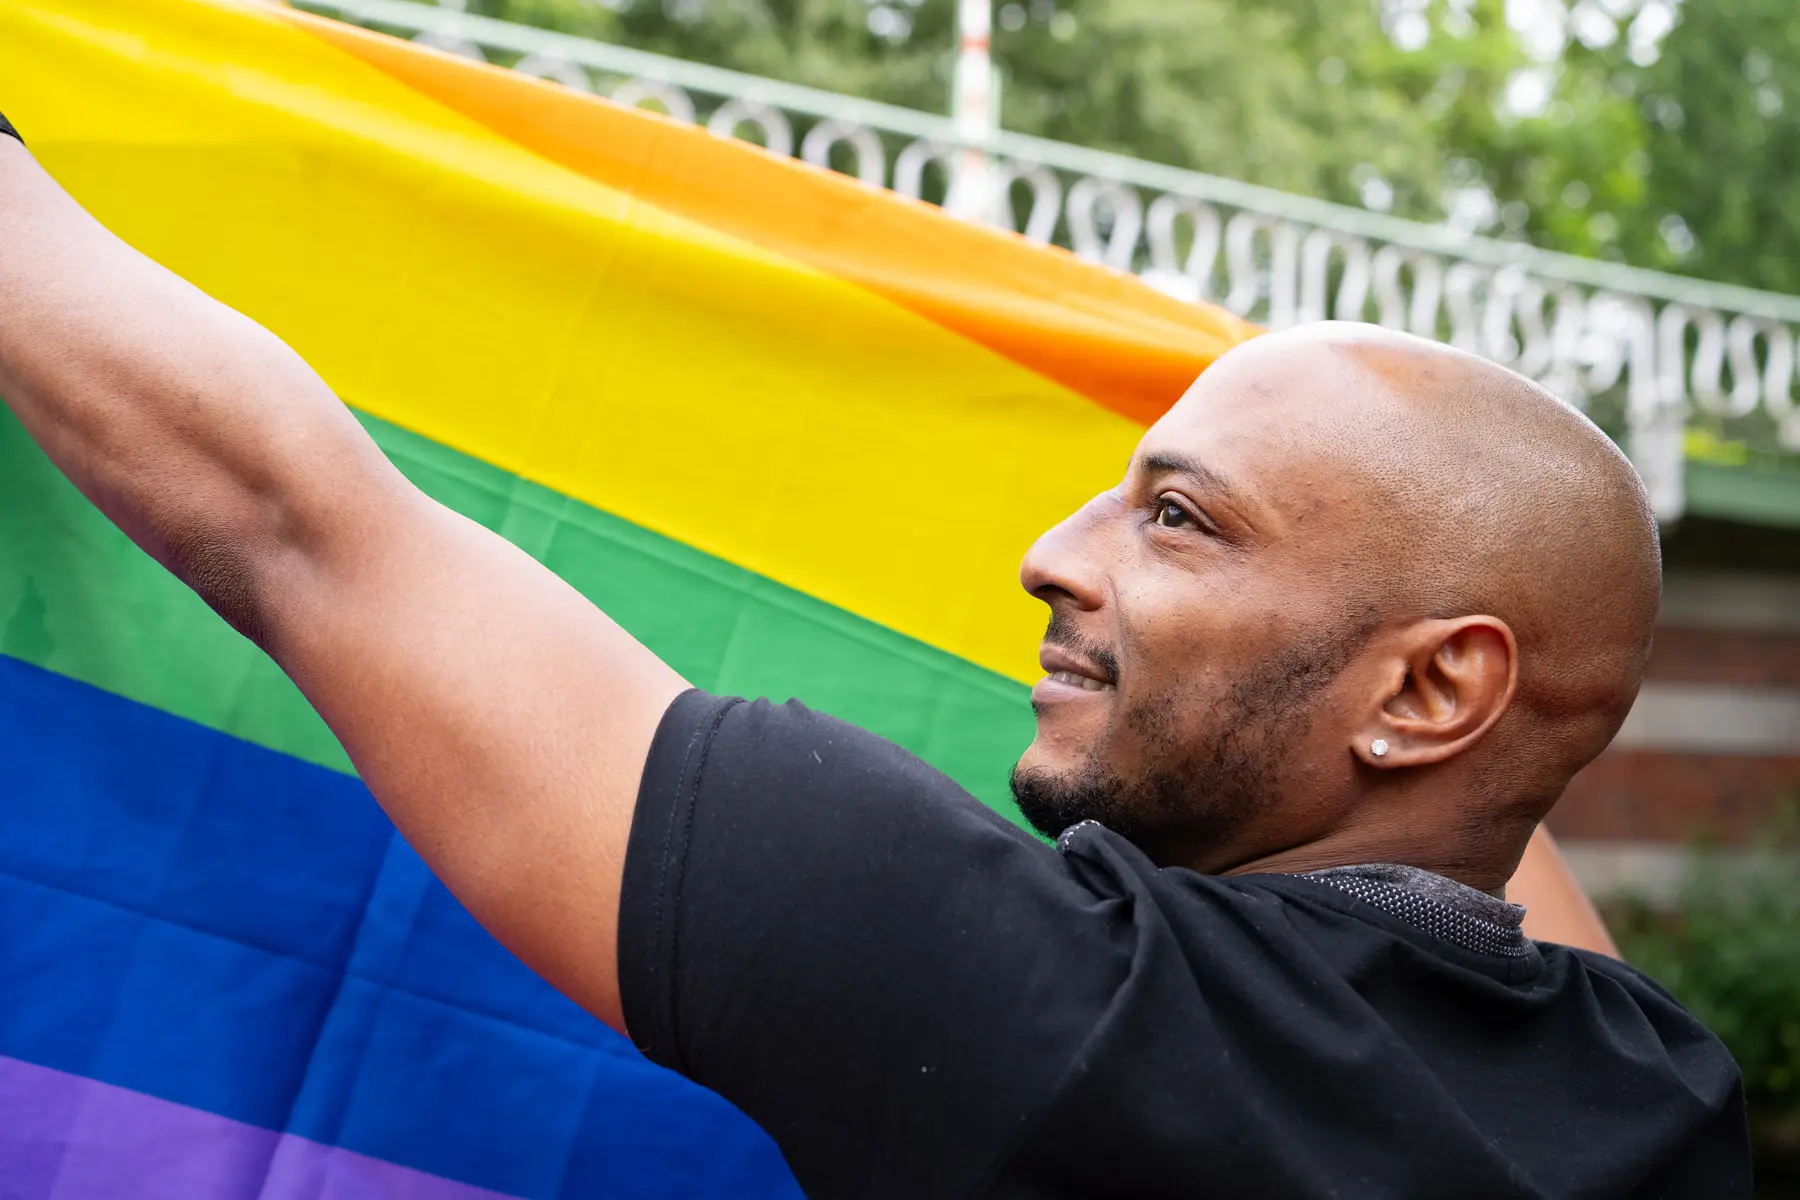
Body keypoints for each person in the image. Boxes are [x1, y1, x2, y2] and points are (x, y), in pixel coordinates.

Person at [0, 116, 1749, 1198]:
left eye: (1179, 520)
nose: (1046, 555)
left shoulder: (1034, 1003)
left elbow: (296, 523)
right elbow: (1494, 793)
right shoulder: (1654, 1099)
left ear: (1431, 691)